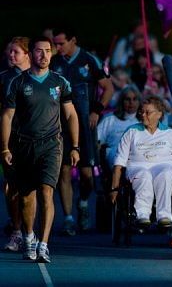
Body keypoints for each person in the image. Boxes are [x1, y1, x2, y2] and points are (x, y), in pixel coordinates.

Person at [1, 36, 80, 263]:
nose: (43, 55)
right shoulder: (17, 83)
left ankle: (43, 245)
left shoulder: (60, 82)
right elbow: (7, 116)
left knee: (47, 191)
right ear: (31, 54)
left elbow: (71, 114)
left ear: (52, 54)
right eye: (39, 51)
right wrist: (4, 148)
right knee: (26, 197)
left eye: (48, 51)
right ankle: (28, 237)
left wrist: (75, 146)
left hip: (52, 144)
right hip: (24, 145)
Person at [51, 26, 114, 235]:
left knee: (87, 175)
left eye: (61, 43)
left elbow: (108, 87)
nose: (57, 47)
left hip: (85, 126)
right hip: (61, 125)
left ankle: (84, 202)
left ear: (73, 40)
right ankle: (68, 217)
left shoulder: (89, 59)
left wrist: (96, 110)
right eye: (55, 43)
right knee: (64, 171)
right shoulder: (53, 61)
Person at [110, 95, 172, 227]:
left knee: (166, 174)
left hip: (163, 166)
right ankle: (142, 215)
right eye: (141, 111)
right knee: (144, 175)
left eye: (148, 112)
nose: (143, 115)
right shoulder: (131, 132)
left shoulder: (170, 134)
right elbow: (119, 162)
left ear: (159, 114)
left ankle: (164, 216)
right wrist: (114, 189)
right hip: (137, 167)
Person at [0, 37, 31, 252]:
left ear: (27, 55)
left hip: (36, 140)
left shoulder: (40, 76)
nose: (11, 56)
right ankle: (17, 230)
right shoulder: (3, 78)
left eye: (16, 52)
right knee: (11, 187)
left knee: (33, 189)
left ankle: (32, 232)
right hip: (11, 140)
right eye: (10, 52)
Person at [97, 85, 141, 170]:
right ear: (122, 101)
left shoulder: (145, 120)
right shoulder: (110, 119)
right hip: (115, 155)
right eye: (127, 99)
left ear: (139, 101)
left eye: (135, 99)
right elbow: (97, 141)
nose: (131, 102)